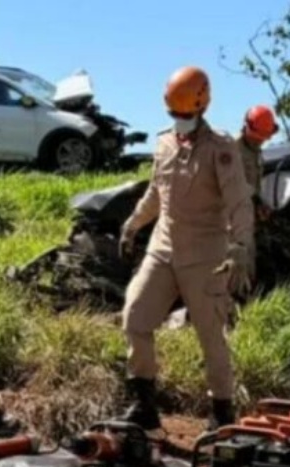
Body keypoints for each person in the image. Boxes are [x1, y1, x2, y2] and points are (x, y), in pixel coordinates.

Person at [116, 66, 255, 431]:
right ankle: (144, 403)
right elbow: (155, 193)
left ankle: (222, 413)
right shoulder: (163, 143)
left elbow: (239, 201)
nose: (180, 121)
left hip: (206, 257)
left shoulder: (221, 148)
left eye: (186, 115)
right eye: (174, 115)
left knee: (211, 337)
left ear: (201, 108)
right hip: (162, 249)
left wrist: (240, 244)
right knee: (135, 318)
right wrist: (132, 225)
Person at [237, 105, 278, 221]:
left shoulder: (256, 152)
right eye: (256, 138)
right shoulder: (231, 149)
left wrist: (259, 204)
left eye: (262, 138)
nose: (259, 141)